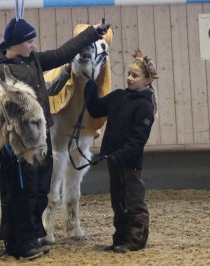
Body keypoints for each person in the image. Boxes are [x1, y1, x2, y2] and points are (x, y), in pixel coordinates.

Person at [0, 17, 110, 259]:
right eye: (29, 41)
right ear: (16, 43)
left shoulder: (34, 61)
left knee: (38, 190)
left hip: (40, 137)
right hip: (20, 143)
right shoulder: (0, 72)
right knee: (21, 192)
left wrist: (92, 33)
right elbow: (0, 110)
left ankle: (31, 236)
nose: (33, 45)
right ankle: (19, 243)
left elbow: (65, 53)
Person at [85, 49, 158, 253]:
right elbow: (96, 108)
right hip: (114, 161)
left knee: (133, 201)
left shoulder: (144, 107)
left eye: (135, 76)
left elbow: (137, 141)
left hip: (129, 163)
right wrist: (90, 85)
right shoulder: (118, 97)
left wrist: (119, 155)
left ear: (146, 81)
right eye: (128, 73)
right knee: (118, 201)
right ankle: (121, 238)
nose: (129, 78)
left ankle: (136, 239)